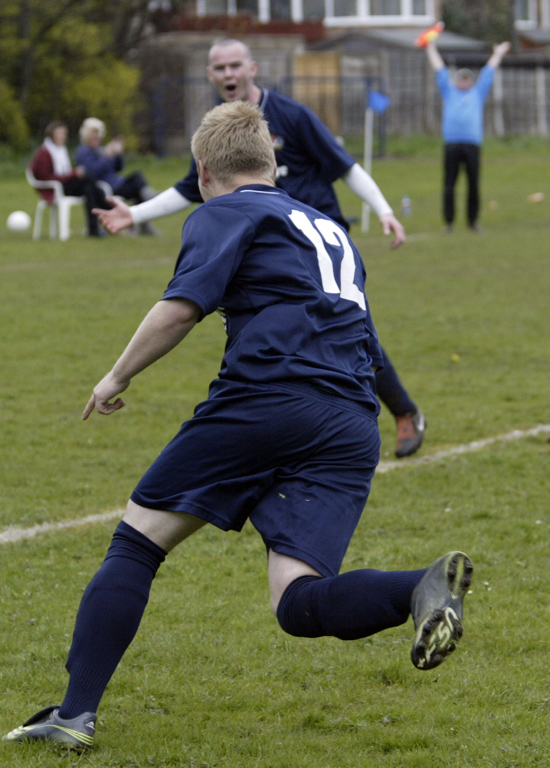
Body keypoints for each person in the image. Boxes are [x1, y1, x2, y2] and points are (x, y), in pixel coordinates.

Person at [3, 101, 473, 750]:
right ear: (272, 164)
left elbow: (180, 308)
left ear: (203, 171)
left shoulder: (222, 210)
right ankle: (419, 589)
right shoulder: (329, 228)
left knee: (137, 544)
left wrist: (116, 376)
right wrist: (397, 408)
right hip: (348, 421)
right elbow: (365, 338)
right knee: (297, 601)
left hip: (264, 402)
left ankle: (74, 713)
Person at [95, 39, 426, 458]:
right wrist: (134, 214)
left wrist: (384, 210)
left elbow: (345, 165)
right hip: (269, 249)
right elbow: (191, 186)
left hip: (318, 244)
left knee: (350, 331)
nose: (228, 74)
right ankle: (291, 422)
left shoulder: (291, 115)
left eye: (235, 65)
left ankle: (400, 412)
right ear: (210, 75)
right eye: (220, 68)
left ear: (252, 68)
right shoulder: (219, 129)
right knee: (286, 335)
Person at [425, 39, 511, 232]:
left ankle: (473, 221)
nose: (464, 81)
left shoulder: (477, 93)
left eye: (467, 79)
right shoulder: (449, 92)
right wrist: (430, 47)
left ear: (471, 81)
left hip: (472, 144)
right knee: (449, 184)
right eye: (461, 78)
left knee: (473, 184)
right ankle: (449, 222)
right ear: (457, 80)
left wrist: (498, 53)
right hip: (452, 144)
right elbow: (439, 68)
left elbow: (489, 71)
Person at [75, 118, 158, 235]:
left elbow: (119, 168)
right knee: (137, 182)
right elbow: (92, 172)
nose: (97, 136)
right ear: (86, 135)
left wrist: (118, 154)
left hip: (116, 184)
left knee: (137, 179)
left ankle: (144, 222)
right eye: (94, 134)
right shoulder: (83, 152)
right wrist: (106, 156)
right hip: (105, 188)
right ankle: (150, 199)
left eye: (98, 133)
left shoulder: (100, 150)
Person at [29, 121, 111, 238]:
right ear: (51, 135)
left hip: (65, 185)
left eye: (64, 134)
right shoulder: (44, 153)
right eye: (59, 133)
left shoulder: (61, 150)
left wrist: (73, 174)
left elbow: (65, 173)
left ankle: (94, 229)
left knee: (89, 189)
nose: (63, 136)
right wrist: (74, 174)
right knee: (88, 181)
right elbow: (46, 177)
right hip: (55, 188)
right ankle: (108, 208)